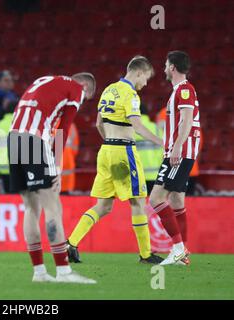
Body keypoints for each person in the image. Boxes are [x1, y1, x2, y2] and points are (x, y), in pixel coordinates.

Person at [67, 56, 164, 265]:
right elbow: (137, 127)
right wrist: (161, 142)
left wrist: (111, 143)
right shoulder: (131, 95)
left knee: (103, 206)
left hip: (106, 151)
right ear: (139, 72)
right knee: (137, 201)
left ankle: (71, 244)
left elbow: (99, 124)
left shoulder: (109, 90)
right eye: (146, 78)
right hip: (124, 152)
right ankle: (146, 254)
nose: (145, 83)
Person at [8, 73, 97, 284]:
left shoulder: (44, 80)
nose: (81, 102)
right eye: (86, 97)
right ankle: (64, 272)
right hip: (34, 139)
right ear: (84, 85)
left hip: (13, 140)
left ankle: (39, 272)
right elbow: (63, 128)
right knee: (53, 206)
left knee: (31, 208)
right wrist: (57, 164)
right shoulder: (76, 88)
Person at [149, 51, 201, 266]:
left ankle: (178, 249)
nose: (163, 69)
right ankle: (183, 253)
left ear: (172, 67)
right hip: (179, 151)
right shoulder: (179, 91)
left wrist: (177, 147)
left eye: (165, 64)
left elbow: (187, 120)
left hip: (179, 152)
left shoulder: (185, 90)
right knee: (177, 200)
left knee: (155, 199)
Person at [134, 103, 163, 194]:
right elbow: (163, 152)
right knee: (153, 206)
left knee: (137, 206)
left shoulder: (130, 129)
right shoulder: (157, 129)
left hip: (136, 176)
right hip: (155, 176)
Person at [60, 122, 79, 194]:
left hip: (64, 165)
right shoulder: (71, 126)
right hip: (68, 162)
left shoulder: (54, 123)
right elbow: (75, 149)